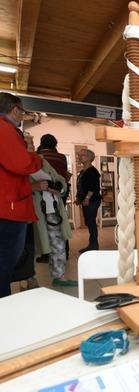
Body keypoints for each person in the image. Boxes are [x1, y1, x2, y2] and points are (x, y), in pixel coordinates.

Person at [0, 93, 43, 297]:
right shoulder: (5, 129)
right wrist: (35, 157)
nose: (22, 117)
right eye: (22, 112)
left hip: (7, 205)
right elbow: (22, 164)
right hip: (8, 209)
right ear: (15, 109)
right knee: (5, 264)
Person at [27, 135, 76, 287]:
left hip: (52, 208)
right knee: (31, 246)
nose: (31, 146)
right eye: (27, 144)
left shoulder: (41, 159)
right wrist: (33, 187)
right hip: (32, 212)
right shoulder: (15, 162)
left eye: (31, 143)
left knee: (58, 243)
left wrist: (59, 187)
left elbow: (59, 178)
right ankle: (30, 279)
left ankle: (59, 276)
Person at [37, 133, 71, 262]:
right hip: (59, 191)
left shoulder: (39, 156)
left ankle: (46, 254)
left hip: (43, 193)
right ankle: (65, 252)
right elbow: (63, 173)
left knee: (44, 223)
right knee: (61, 221)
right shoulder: (61, 157)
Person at [75, 149, 101, 252]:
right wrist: (79, 198)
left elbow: (93, 187)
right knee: (89, 222)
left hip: (92, 200)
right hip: (86, 200)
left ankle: (94, 245)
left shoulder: (92, 171)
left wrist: (87, 198)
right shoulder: (83, 171)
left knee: (91, 222)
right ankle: (92, 244)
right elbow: (81, 186)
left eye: (83, 155)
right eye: (79, 155)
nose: (80, 157)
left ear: (90, 157)